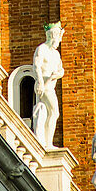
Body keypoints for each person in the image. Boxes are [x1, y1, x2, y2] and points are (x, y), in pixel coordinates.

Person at [32, 21, 65, 149]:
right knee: (54, 112)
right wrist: (40, 82)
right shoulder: (42, 49)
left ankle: (45, 141)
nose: (59, 40)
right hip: (44, 85)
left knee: (47, 112)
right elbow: (36, 66)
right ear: (52, 36)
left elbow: (60, 69)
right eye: (58, 37)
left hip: (51, 85)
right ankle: (48, 143)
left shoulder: (56, 54)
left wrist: (59, 74)